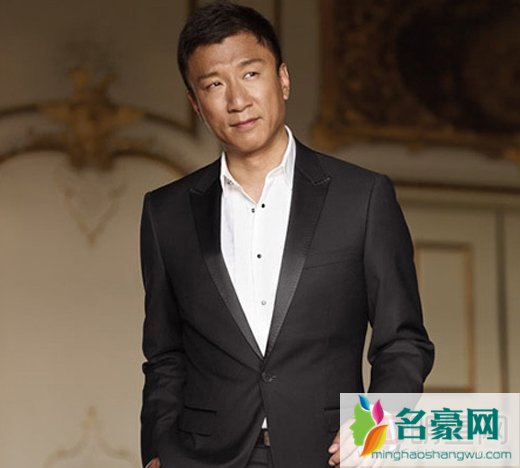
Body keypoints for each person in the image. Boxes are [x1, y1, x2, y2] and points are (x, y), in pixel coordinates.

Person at [139, 2, 434, 467]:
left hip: (327, 454)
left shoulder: (362, 196)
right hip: (202, 457)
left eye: (250, 74)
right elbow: (164, 356)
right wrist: (158, 452)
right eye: (214, 85)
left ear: (283, 80)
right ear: (195, 104)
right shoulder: (165, 212)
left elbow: (403, 341)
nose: (237, 100)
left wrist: (374, 425)